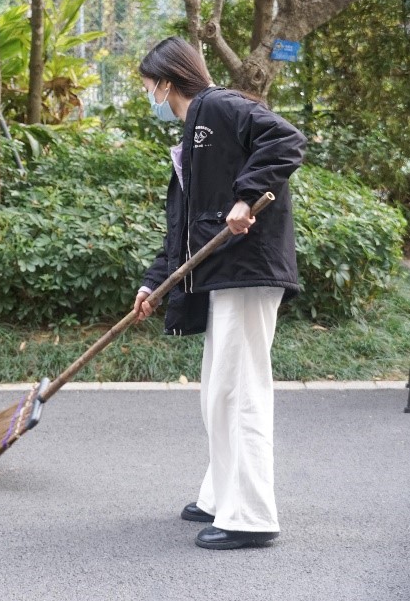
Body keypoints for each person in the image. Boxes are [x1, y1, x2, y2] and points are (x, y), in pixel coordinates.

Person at [131, 37, 306, 550]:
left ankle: (250, 516)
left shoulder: (219, 105)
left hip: (246, 268)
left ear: (166, 81)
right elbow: (185, 224)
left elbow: (286, 141)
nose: (150, 96)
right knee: (218, 391)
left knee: (241, 390)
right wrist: (153, 281)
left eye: (148, 86)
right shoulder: (195, 132)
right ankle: (220, 495)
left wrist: (247, 197)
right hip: (223, 272)